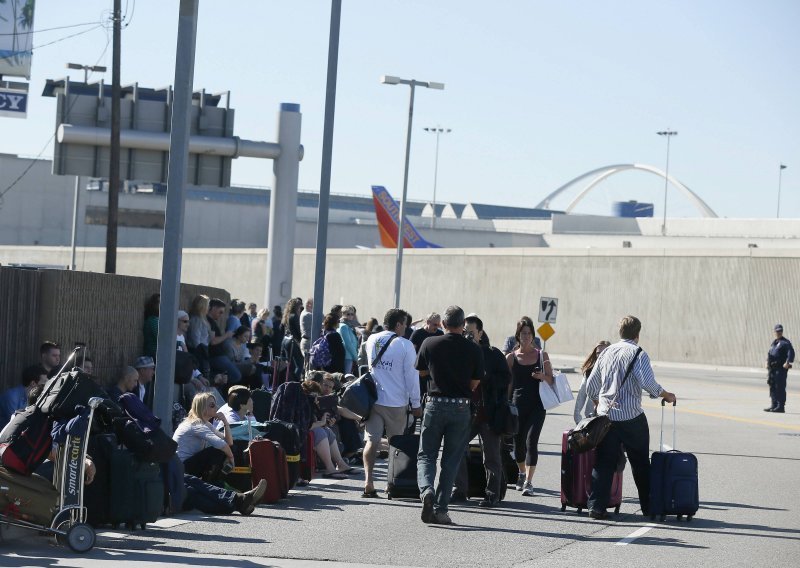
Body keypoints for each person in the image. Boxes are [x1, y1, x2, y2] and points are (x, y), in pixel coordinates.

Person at [585, 315, 677, 520]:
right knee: (640, 463)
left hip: (606, 417)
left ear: (620, 332)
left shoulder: (606, 352)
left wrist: (598, 403)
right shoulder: (638, 354)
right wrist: (666, 395)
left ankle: (596, 507)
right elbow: (648, 384)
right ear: (638, 334)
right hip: (631, 418)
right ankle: (648, 507)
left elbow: (591, 386)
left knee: (604, 462)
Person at [415, 306, 484, 526]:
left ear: (443, 324)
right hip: (461, 407)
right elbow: (475, 383)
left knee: (426, 455)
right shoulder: (473, 349)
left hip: (434, 404)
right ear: (463, 325)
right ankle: (441, 509)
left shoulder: (429, 343)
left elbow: (422, 372)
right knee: (451, 460)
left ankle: (426, 490)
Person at [361, 309, 422, 498]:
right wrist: (416, 403)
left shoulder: (372, 339)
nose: (406, 327)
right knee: (396, 445)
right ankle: (391, 483)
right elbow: (411, 377)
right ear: (398, 325)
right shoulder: (405, 345)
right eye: (405, 324)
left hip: (374, 399)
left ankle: (368, 481)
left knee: (372, 440)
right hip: (397, 402)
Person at [453, 313, 511, 507]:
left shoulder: (493, 354)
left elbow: (506, 379)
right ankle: (459, 489)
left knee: (492, 456)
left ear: (480, 333)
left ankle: (492, 494)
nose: (468, 336)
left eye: (471, 332)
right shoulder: (460, 353)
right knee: (457, 449)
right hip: (466, 413)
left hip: (489, 413)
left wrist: (485, 378)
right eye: (465, 332)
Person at [505, 316, 553, 497]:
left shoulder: (542, 355)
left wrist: (542, 376)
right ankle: (521, 472)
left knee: (531, 442)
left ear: (533, 335)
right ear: (517, 336)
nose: (525, 336)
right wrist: (505, 404)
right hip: (517, 406)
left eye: (528, 333)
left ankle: (528, 481)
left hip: (537, 406)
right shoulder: (511, 357)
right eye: (522, 333)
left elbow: (551, 379)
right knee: (518, 445)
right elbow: (508, 385)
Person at [173, 392, 235, 482]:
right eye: (212, 405)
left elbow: (229, 442)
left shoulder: (205, 423)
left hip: (186, 465)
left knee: (228, 449)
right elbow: (222, 445)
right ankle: (212, 483)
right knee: (217, 451)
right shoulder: (196, 424)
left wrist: (225, 422)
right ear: (202, 407)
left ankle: (215, 483)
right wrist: (231, 459)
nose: (216, 408)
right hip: (181, 468)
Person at [574, 340, 611, 423]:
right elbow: (581, 395)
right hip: (592, 417)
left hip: (611, 416)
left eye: (604, 352)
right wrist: (577, 417)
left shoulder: (615, 371)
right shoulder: (590, 371)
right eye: (598, 353)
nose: (600, 355)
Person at [0, 365, 48, 430]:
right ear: (33, 383)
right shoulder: (12, 396)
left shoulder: (32, 396)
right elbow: (14, 423)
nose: (46, 386)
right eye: (44, 384)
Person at [765, 323, 794, 413]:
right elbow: (770, 354)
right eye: (777, 331)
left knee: (780, 387)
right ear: (774, 332)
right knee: (772, 386)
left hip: (780, 369)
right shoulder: (774, 343)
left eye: (780, 331)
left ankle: (780, 406)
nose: (779, 332)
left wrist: (787, 362)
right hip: (772, 369)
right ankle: (774, 405)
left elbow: (791, 352)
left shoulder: (785, 343)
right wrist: (766, 361)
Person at [338, 305, 359, 375]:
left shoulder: (348, 325)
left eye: (352, 314)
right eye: (348, 314)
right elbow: (348, 343)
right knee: (347, 377)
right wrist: (356, 357)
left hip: (349, 356)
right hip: (347, 356)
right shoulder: (343, 326)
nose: (350, 316)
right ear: (343, 314)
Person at [143, 293, 160, 359]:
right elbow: (161, 339)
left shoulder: (157, 319)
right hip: (154, 354)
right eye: (159, 302)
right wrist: (180, 343)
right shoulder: (153, 320)